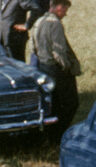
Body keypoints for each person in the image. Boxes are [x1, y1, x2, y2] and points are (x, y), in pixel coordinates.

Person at [33, 0, 81, 139]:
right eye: (65, 9)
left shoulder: (39, 21)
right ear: (59, 7)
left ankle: (50, 134)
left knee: (52, 104)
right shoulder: (55, 24)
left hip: (42, 67)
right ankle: (58, 134)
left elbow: (32, 48)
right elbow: (59, 52)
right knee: (71, 103)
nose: (66, 13)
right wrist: (67, 68)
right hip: (55, 70)